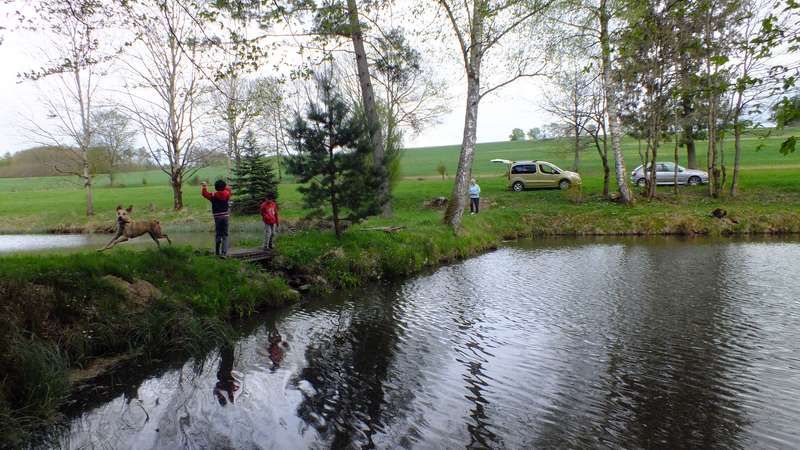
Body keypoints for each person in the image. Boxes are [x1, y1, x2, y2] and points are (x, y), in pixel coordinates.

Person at [201, 180, 232, 257]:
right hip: (225, 217)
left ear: (215, 187)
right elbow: (229, 190)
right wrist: (227, 186)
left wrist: (204, 187)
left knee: (218, 234)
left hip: (217, 217)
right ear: (224, 187)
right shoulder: (227, 194)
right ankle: (224, 253)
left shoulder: (213, 195)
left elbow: (205, 194)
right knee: (225, 235)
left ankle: (217, 252)